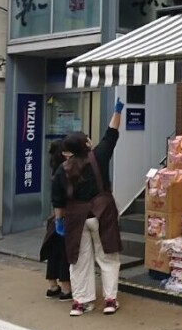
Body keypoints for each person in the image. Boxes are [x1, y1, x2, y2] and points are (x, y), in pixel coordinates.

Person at [52, 98, 125, 316]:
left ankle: (81, 303)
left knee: (79, 260)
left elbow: (58, 200)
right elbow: (112, 133)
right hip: (102, 215)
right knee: (108, 257)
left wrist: (58, 221)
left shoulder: (62, 169)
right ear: (86, 145)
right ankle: (110, 301)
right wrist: (117, 111)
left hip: (76, 219)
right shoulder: (99, 156)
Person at [40, 140, 72, 301]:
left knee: (54, 252)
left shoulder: (55, 171)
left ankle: (52, 285)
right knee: (65, 253)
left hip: (55, 219)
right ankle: (66, 289)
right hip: (65, 217)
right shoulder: (66, 172)